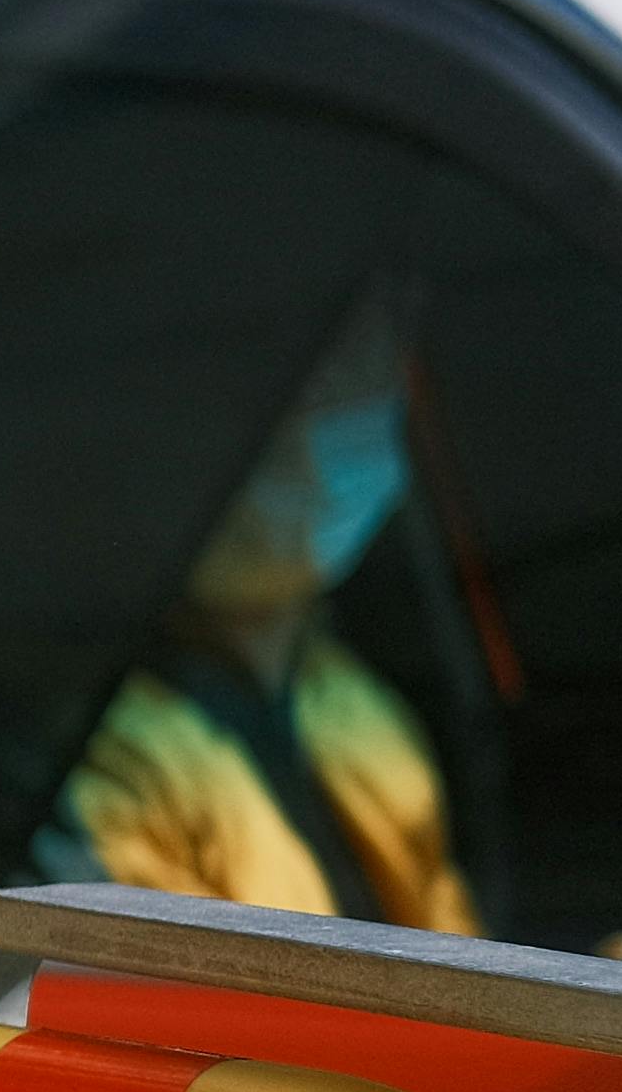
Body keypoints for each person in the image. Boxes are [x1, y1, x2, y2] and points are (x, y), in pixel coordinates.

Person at [40, 306, 479, 931]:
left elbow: (467, 976)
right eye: (314, 393)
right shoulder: (98, 758)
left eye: (370, 388)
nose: (338, 430)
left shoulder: (354, 706)